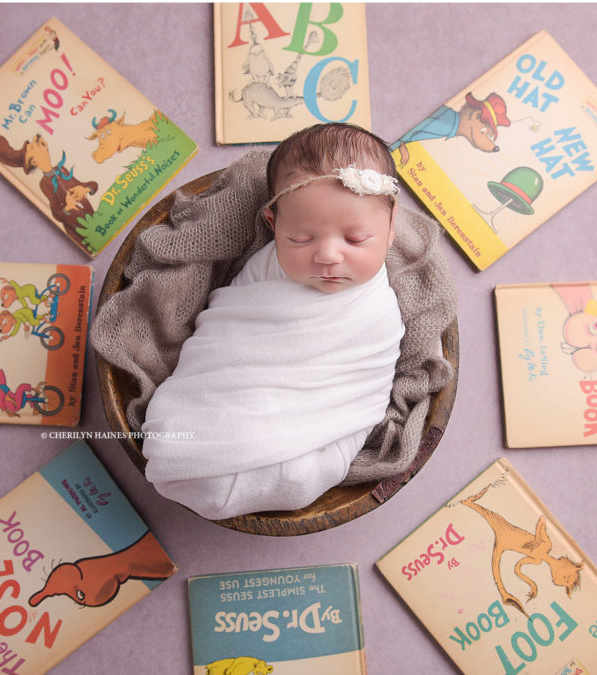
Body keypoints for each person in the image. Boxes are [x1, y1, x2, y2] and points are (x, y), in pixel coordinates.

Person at [141, 123, 406, 520]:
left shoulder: (378, 311)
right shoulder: (262, 268)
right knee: (182, 435)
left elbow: (363, 382)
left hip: (318, 422)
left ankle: (250, 460)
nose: (328, 256)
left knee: (300, 471)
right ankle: (202, 450)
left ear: (390, 228)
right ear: (272, 224)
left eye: (354, 240)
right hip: (232, 400)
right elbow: (225, 340)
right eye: (301, 239)